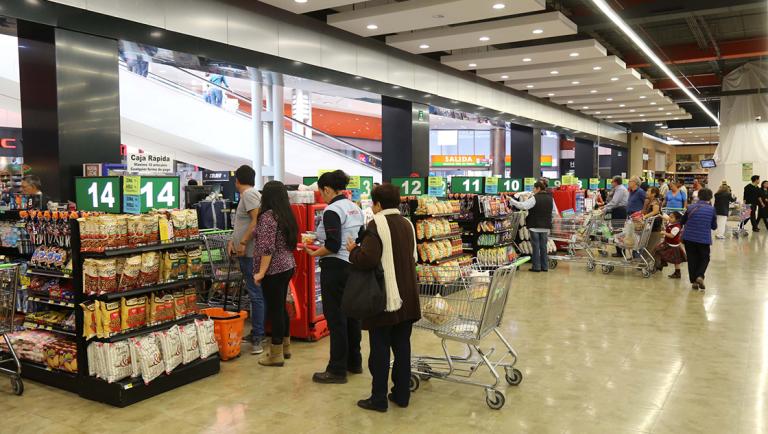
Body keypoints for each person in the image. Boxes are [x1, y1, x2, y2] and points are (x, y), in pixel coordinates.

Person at [347, 184, 420, 412]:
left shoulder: (376, 225)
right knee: (402, 347)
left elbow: (368, 259)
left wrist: (353, 250)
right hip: (407, 297)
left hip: (385, 299)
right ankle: (401, 394)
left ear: (377, 204)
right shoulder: (407, 224)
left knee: (379, 350)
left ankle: (378, 398)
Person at [305, 170, 364, 384]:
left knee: (336, 318)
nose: (322, 196)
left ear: (327, 189)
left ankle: (337, 369)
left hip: (336, 268)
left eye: (321, 192)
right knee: (352, 316)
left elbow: (331, 244)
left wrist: (313, 252)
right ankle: (354, 362)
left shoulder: (332, 210)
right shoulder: (355, 208)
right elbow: (360, 238)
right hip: (353, 266)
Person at [253, 181, 298, 367]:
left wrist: (260, 273)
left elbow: (267, 248)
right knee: (281, 307)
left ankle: (276, 354)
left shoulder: (267, 217)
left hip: (274, 269)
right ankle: (285, 347)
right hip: (287, 265)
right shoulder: (285, 214)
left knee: (275, 310)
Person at [229, 165, 265, 354]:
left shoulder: (249, 195)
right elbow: (244, 222)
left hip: (250, 253)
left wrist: (242, 242)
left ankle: (258, 336)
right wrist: (232, 241)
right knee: (255, 293)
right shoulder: (251, 194)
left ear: (238, 180)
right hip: (248, 252)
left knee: (255, 294)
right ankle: (257, 332)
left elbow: (255, 220)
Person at [509, 181, 556, 272]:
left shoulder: (535, 198)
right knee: (543, 246)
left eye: (534, 188)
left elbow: (523, 206)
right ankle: (545, 267)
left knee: (536, 246)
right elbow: (554, 212)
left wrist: (511, 200)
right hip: (546, 226)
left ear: (538, 188)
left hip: (534, 225)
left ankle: (536, 267)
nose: (533, 190)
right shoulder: (551, 198)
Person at [681, 188, 717, 291]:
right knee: (705, 258)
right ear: (710, 197)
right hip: (703, 239)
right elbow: (714, 226)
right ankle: (700, 276)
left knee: (692, 259)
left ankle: (694, 282)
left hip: (689, 238)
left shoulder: (691, 207)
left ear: (699, 196)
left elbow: (682, 221)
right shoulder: (711, 209)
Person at [652, 211, 687, 279]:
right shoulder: (671, 222)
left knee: (676, 261)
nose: (669, 218)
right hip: (667, 243)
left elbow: (671, 236)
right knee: (658, 250)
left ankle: (677, 273)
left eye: (671, 217)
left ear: (677, 219)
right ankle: (663, 263)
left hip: (673, 246)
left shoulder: (676, 227)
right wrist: (661, 216)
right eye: (669, 216)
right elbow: (667, 218)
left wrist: (664, 233)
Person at [604, 177, 629, 257]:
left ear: (615, 182)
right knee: (618, 231)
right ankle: (620, 251)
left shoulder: (620, 189)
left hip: (619, 211)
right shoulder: (619, 189)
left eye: (612, 182)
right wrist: (605, 206)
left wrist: (604, 209)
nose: (611, 183)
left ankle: (620, 252)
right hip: (618, 211)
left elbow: (614, 202)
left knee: (618, 231)